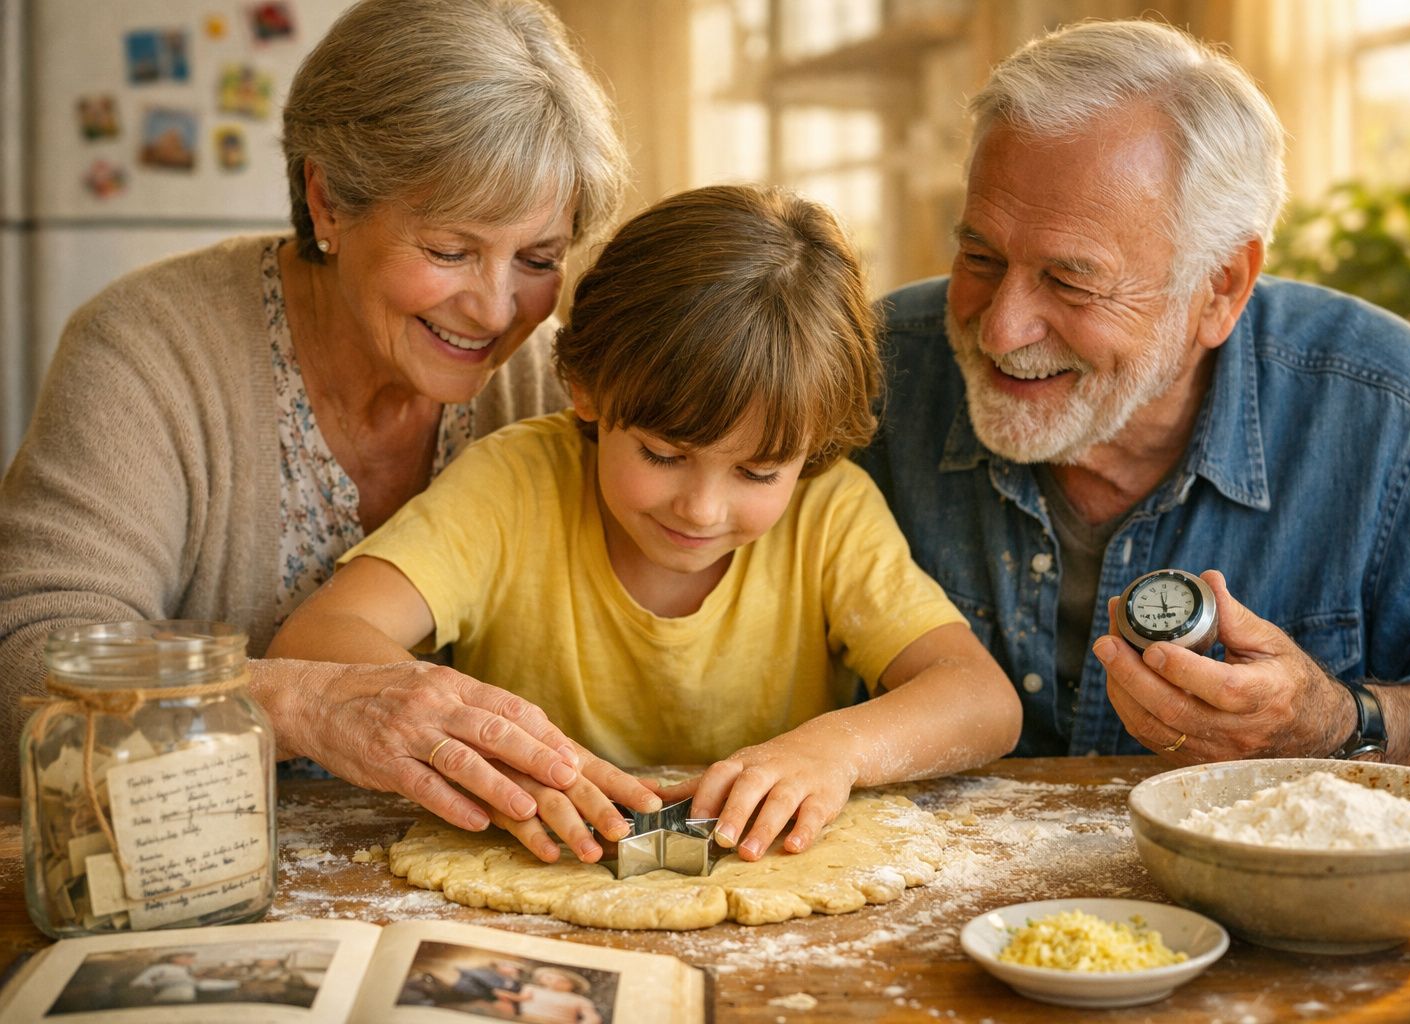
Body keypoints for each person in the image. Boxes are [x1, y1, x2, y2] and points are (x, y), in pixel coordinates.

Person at [0, 0, 661, 839]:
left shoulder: (556, 383)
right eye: (450, 251)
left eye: (537, 260)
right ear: (327, 202)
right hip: (183, 869)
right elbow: (27, 662)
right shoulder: (149, 348)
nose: (497, 310)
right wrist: (300, 702)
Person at [858, 19, 1410, 791]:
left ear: (1220, 287)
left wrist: (1338, 722)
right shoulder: (872, 375)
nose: (1001, 329)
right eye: (979, 256)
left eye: (1071, 281)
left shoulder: (1397, 414)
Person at [269, 185, 1022, 862]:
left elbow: (982, 701)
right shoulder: (514, 486)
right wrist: (471, 734)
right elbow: (314, 644)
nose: (701, 507)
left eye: (758, 473)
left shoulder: (828, 513)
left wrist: (836, 750)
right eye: (663, 454)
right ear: (587, 389)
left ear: (813, 450)